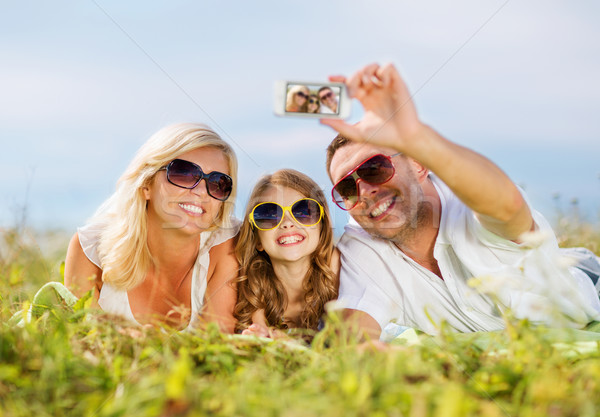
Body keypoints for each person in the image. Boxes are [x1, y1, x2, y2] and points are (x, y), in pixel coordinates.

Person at [321, 63, 600, 340]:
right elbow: (355, 332)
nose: (365, 190)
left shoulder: (470, 203)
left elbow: (507, 207)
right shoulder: (360, 246)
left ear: (419, 164)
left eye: (374, 168)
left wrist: (415, 136)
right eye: (347, 188)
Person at [64, 123, 240, 332]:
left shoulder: (227, 245)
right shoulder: (89, 250)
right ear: (146, 184)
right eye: (183, 174)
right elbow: (87, 342)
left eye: (217, 183)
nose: (202, 191)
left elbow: (216, 348)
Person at [234, 169, 340, 339]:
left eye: (304, 212)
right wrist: (261, 336)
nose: (287, 223)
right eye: (269, 215)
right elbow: (259, 332)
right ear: (257, 240)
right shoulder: (254, 284)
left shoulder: (337, 272)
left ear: (322, 227)